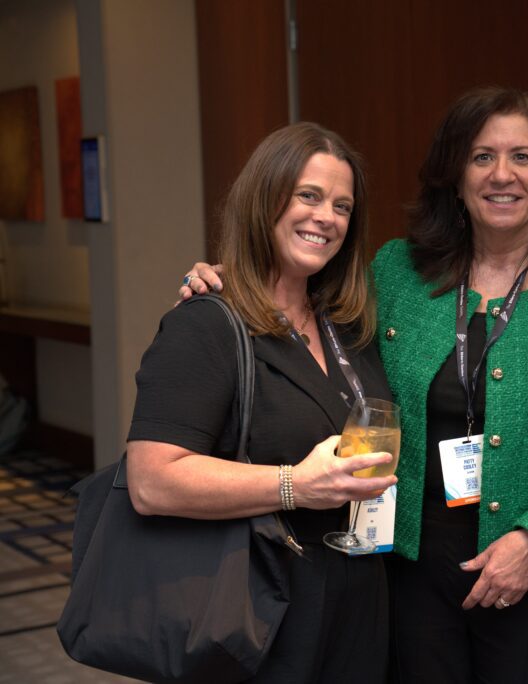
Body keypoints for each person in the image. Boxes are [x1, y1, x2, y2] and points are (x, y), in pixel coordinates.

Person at [182, 87, 528, 683]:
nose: (502, 174)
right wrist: (224, 281)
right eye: (481, 156)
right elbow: (296, 306)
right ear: (456, 177)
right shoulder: (396, 271)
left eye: (522, 157)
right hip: (408, 573)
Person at [129, 122, 396, 682]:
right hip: (256, 608)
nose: (326, 217)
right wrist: (294, 484)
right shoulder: (205, 323)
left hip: (356, 602)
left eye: (342, 206)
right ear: (263, 199)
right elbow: (151, 482)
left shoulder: (348, 325)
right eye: (308, 196)